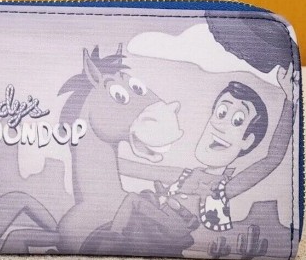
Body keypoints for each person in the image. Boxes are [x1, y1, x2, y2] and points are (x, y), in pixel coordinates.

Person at [115, 64, 297, 233]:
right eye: (221, 113)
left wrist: (290, 100)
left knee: (133, 201)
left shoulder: (224, 187)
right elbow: (138, 169)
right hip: (154, 229)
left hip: (180, 235)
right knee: (141, 200)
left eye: (237, 121)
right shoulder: (186, 175)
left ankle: (114, 236)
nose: (220, 126)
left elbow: (272, 160)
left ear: (247, 141)